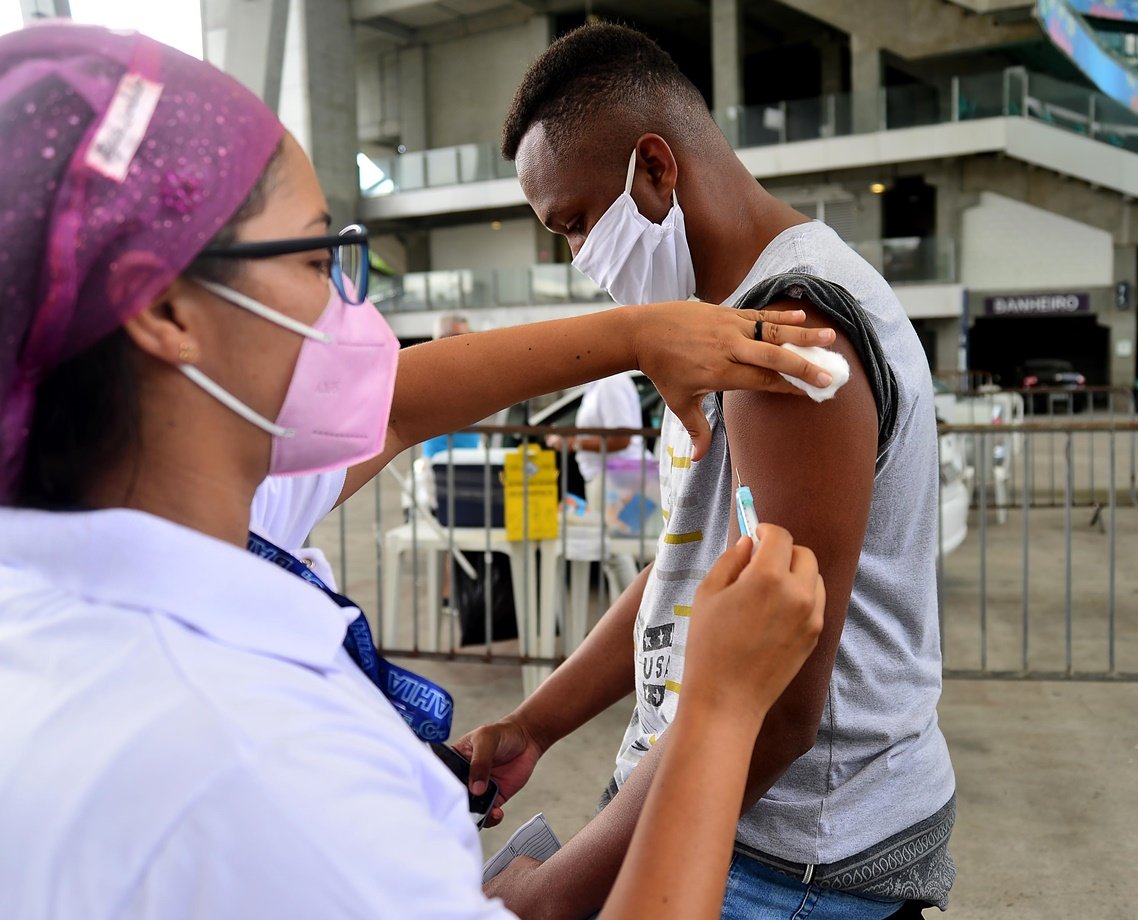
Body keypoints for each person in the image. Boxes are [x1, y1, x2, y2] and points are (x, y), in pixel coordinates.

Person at [0, 23, 838, 919]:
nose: (347, 306)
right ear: (165, 308)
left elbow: (397, 407)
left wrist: (639, 335)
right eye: (317, 260)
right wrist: (714, 711)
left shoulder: (121, 520)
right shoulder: (257, 769)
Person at [459, 22, 956, 920]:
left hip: (779, 855)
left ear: (655, 170)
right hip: (729, 813)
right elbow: (692, 569)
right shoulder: (720, 327)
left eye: (575, 223)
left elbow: (776, 712)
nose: (579, 260)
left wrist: (554, 899)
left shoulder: (789, 339)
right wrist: (536, 723)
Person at [546, 371, 646, 594]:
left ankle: (632, 621)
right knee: (615, 553)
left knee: (616, 553)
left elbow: (621, 437)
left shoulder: (611, 381)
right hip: (609, 476)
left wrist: (573, 443)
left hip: (617, 477)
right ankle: (628, 620)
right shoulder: (599, 384)